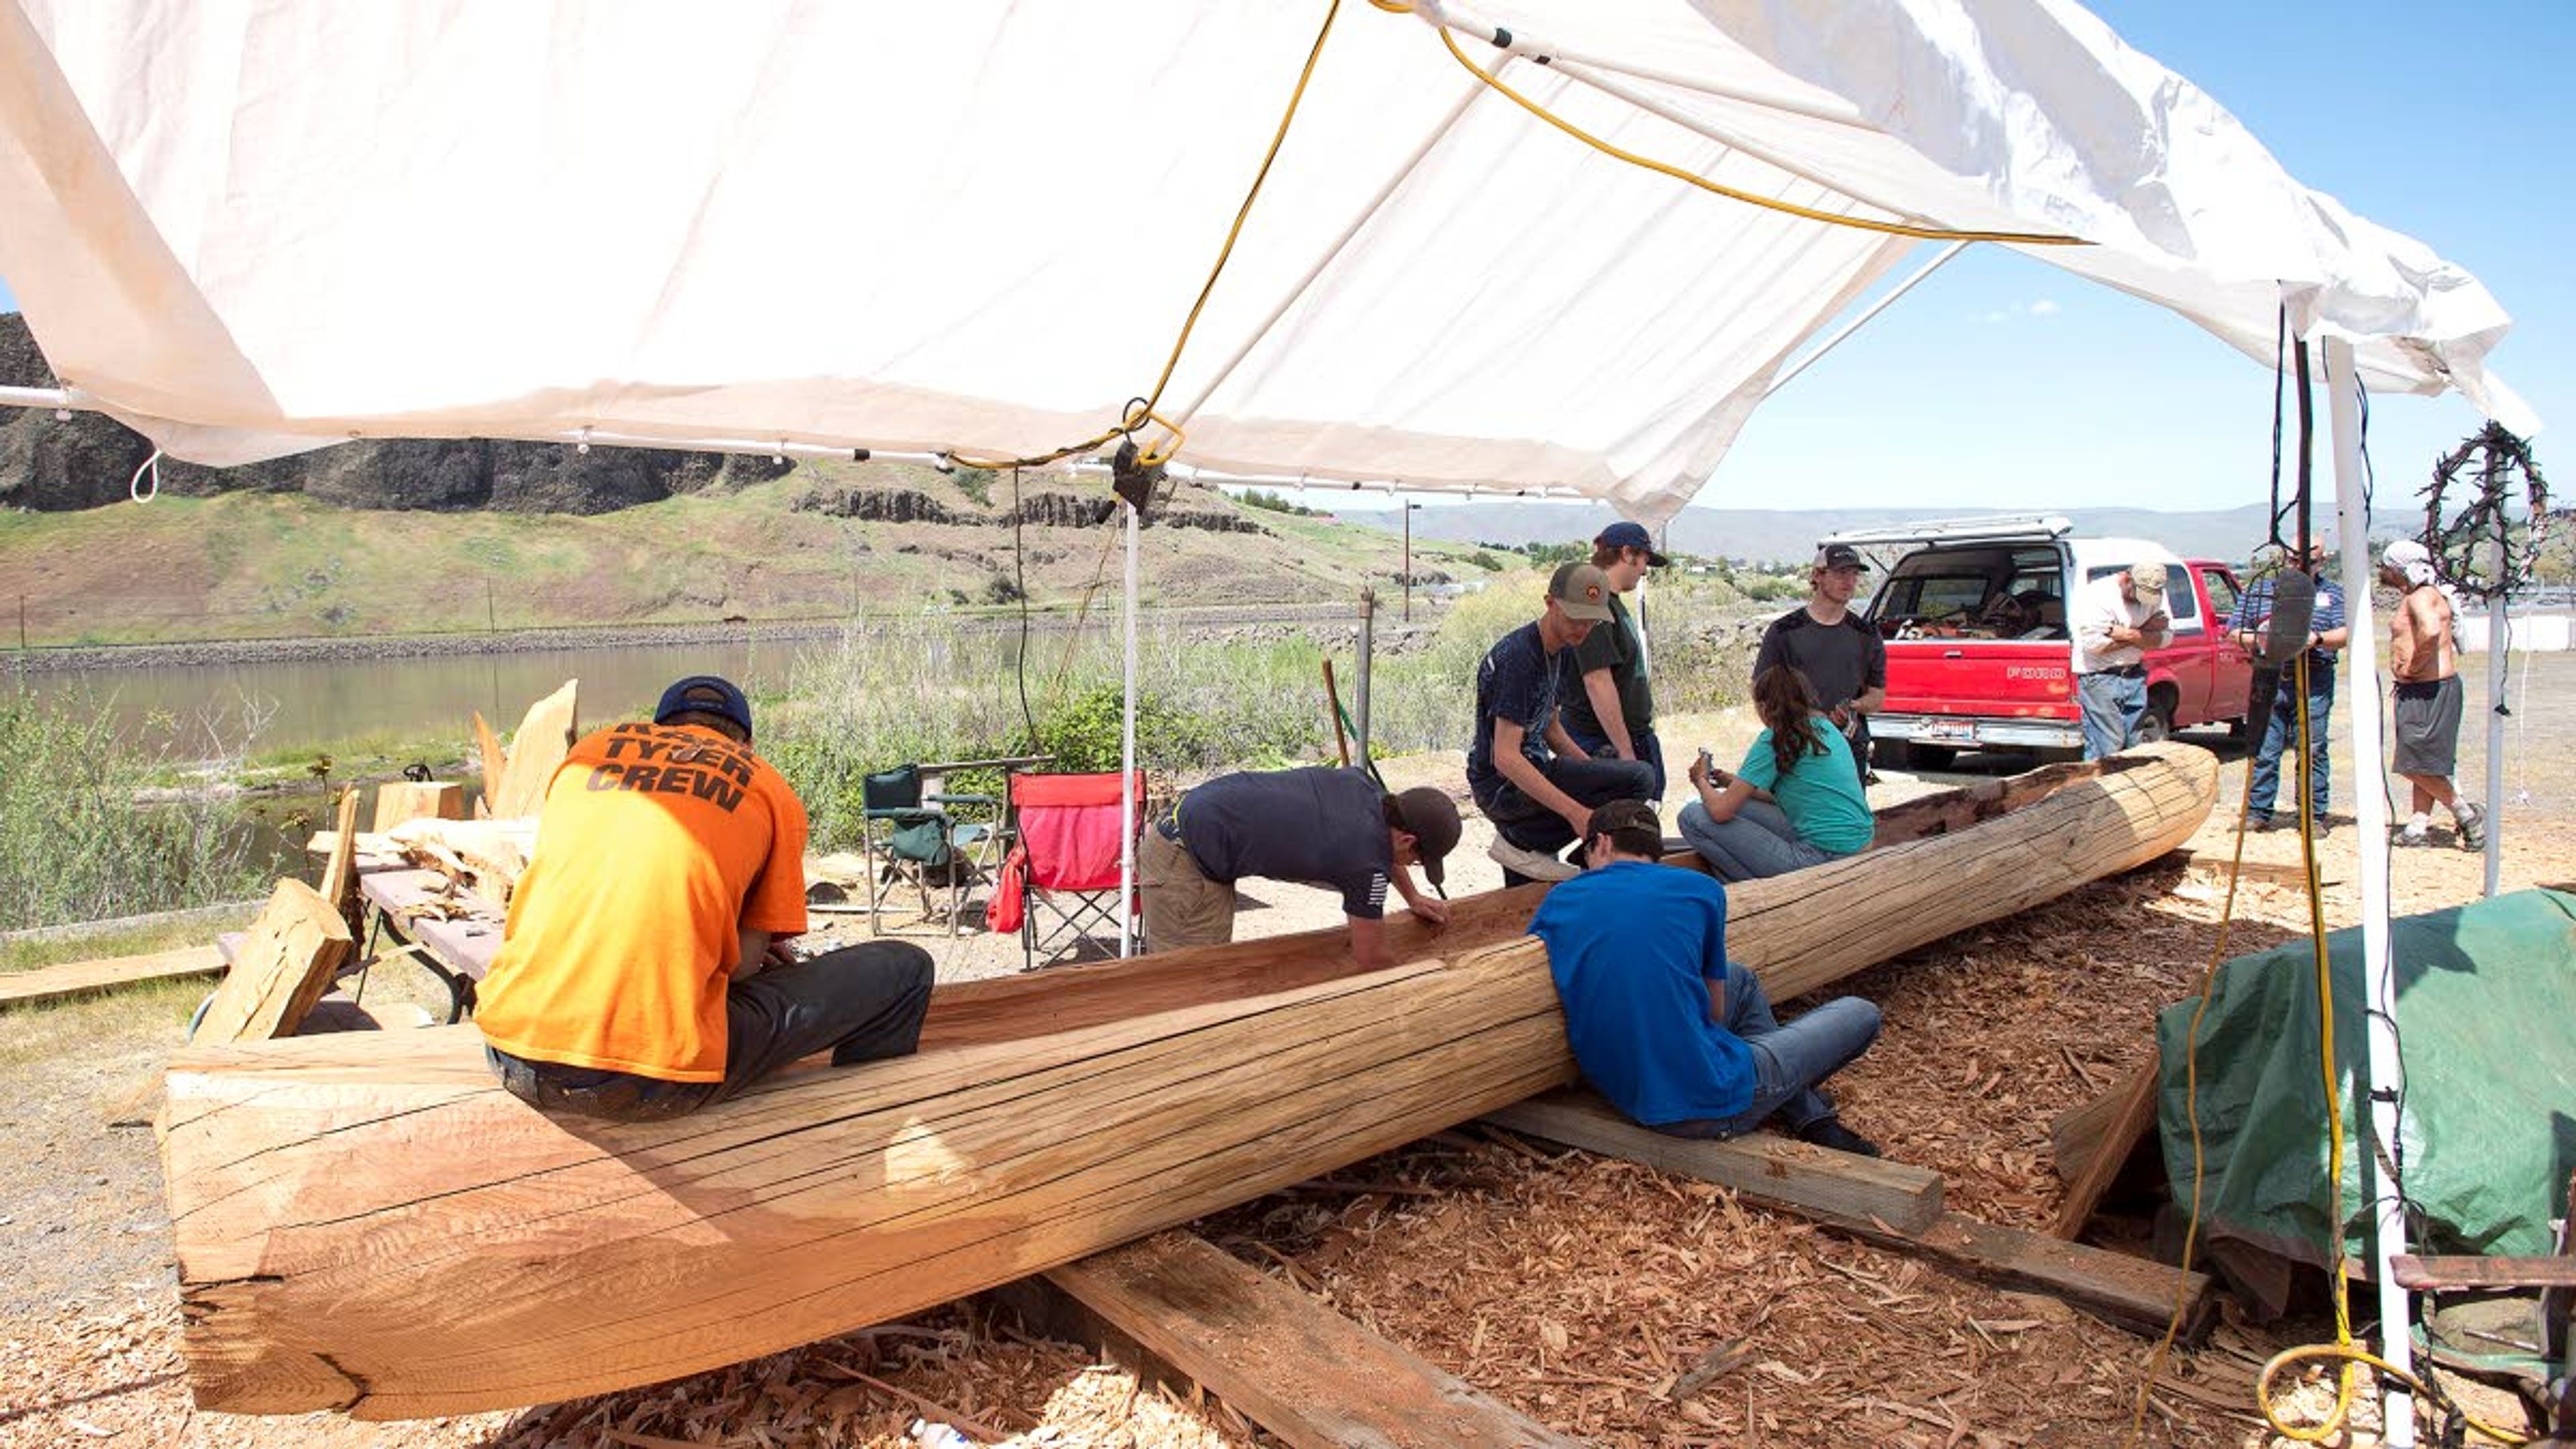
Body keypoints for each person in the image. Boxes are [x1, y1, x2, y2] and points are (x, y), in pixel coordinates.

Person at [475, 676, 934, 1121]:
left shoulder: (588, 756)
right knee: (906, 968)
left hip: (508, 1048)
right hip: (648, 1081)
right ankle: (863, 1129)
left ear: (657, 729)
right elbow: (744, 966)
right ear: (746, 745)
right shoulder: (768, 787)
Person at [1530, 800, 1882, 1155]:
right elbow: (1714, 1013)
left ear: (1602, 843)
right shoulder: (1699, 890)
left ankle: (1806, 1113)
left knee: (1739, 978)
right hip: (1708, 1102)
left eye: (1587, 856)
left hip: (1623, 1090)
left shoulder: (1560, 898)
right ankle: (1800, 1109)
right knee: (1863, 1012)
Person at [1140, 766, 1462, 970]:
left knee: (1206, 971)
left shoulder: (1365, 787)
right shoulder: (1366, 866)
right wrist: (1429, 974)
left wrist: (1413, 897)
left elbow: (1382, 851)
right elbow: (1371, 959)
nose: (1412, 866)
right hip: (1182, 858)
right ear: (1407, 840)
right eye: (1419, 861)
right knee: (1188, 982)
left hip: (1200, 825)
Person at [1468, 561, 1658, 881]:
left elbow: (1552, 727)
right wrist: (1576, 812)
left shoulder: (1563, 650)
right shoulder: (1520, 658)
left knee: (1614, 770)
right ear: (1550, 603)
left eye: (1591, 622)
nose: (1582, 630)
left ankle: (1557, 854)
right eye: (1575, 618)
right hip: (1501, 786)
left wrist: (1593, 772)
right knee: (1639, 778)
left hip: (1534, 766)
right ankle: (1522, 842)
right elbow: (1505, 756)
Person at [1677, 665, 1874, 881]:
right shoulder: (1825, 728)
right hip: (1859, 844)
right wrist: (1732, 782)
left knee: (1691, 815)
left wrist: (1701, 780)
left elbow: (1720, 812)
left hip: (1822, 857)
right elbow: (1787, 797)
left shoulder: (1776, 737)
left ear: (1763, 707)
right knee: (1737, 805)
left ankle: (1748, 887)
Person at [2226, 542, 2349, 833]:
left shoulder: (2331, 593)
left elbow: (2345, 633)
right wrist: (2262, 639)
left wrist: (2316, 639)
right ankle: (2258, 811)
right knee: (2264, 746)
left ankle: (2312, 814)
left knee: (2312, 748)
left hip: (2314, 676)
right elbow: (2233, 630)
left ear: (2322, 562)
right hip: (2270, 674)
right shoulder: (2261, 591)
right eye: (2294, 560)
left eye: (2310, 561)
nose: (2300, 566)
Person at [1752, 543, 1885, 786]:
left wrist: (1852, 707)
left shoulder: (1866, 634)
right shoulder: (1784, 631)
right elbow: (1760, 693)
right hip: (1797, 747)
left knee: (1847, 818)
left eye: (1854, 574)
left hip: (1848, 746)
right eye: (1840, 573)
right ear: (1817, 576)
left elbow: (1877, 697)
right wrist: (1786, 734)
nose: (1849, 581)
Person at [2380, 539, 2484, 849]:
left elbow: (2429, 630)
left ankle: (2466, 814)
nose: (2382, 571)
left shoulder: (2421, 597)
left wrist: (2413, 665)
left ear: (2400, 568)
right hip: (2428, 688)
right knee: (2427, 762)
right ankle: (2417, 827)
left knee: (2412, 763)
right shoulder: (2422, 595)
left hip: (2427, 689)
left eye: (2386, 566)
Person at [1561, 521, 1668, 796]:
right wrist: (1625, 751)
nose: (1645, 571)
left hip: (1618, 739)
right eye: (1644, 560)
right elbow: (1597, 681)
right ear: (1627, 554)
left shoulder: (1610, 602)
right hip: (1601, 744)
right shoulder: (1593, 602)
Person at [2074, 560, 2173, 760]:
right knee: (2107, 746)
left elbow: (2166, 638)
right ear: (2127, 579)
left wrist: (2123, 634)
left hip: (2134, 674)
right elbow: (2096, 645)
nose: (2143, 601)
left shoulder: (2155, 592)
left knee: (2134, 745)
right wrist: (2146, 632)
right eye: (2137, 594)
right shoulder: (2097, 595)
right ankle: (2100, 790)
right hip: (2100, 677)